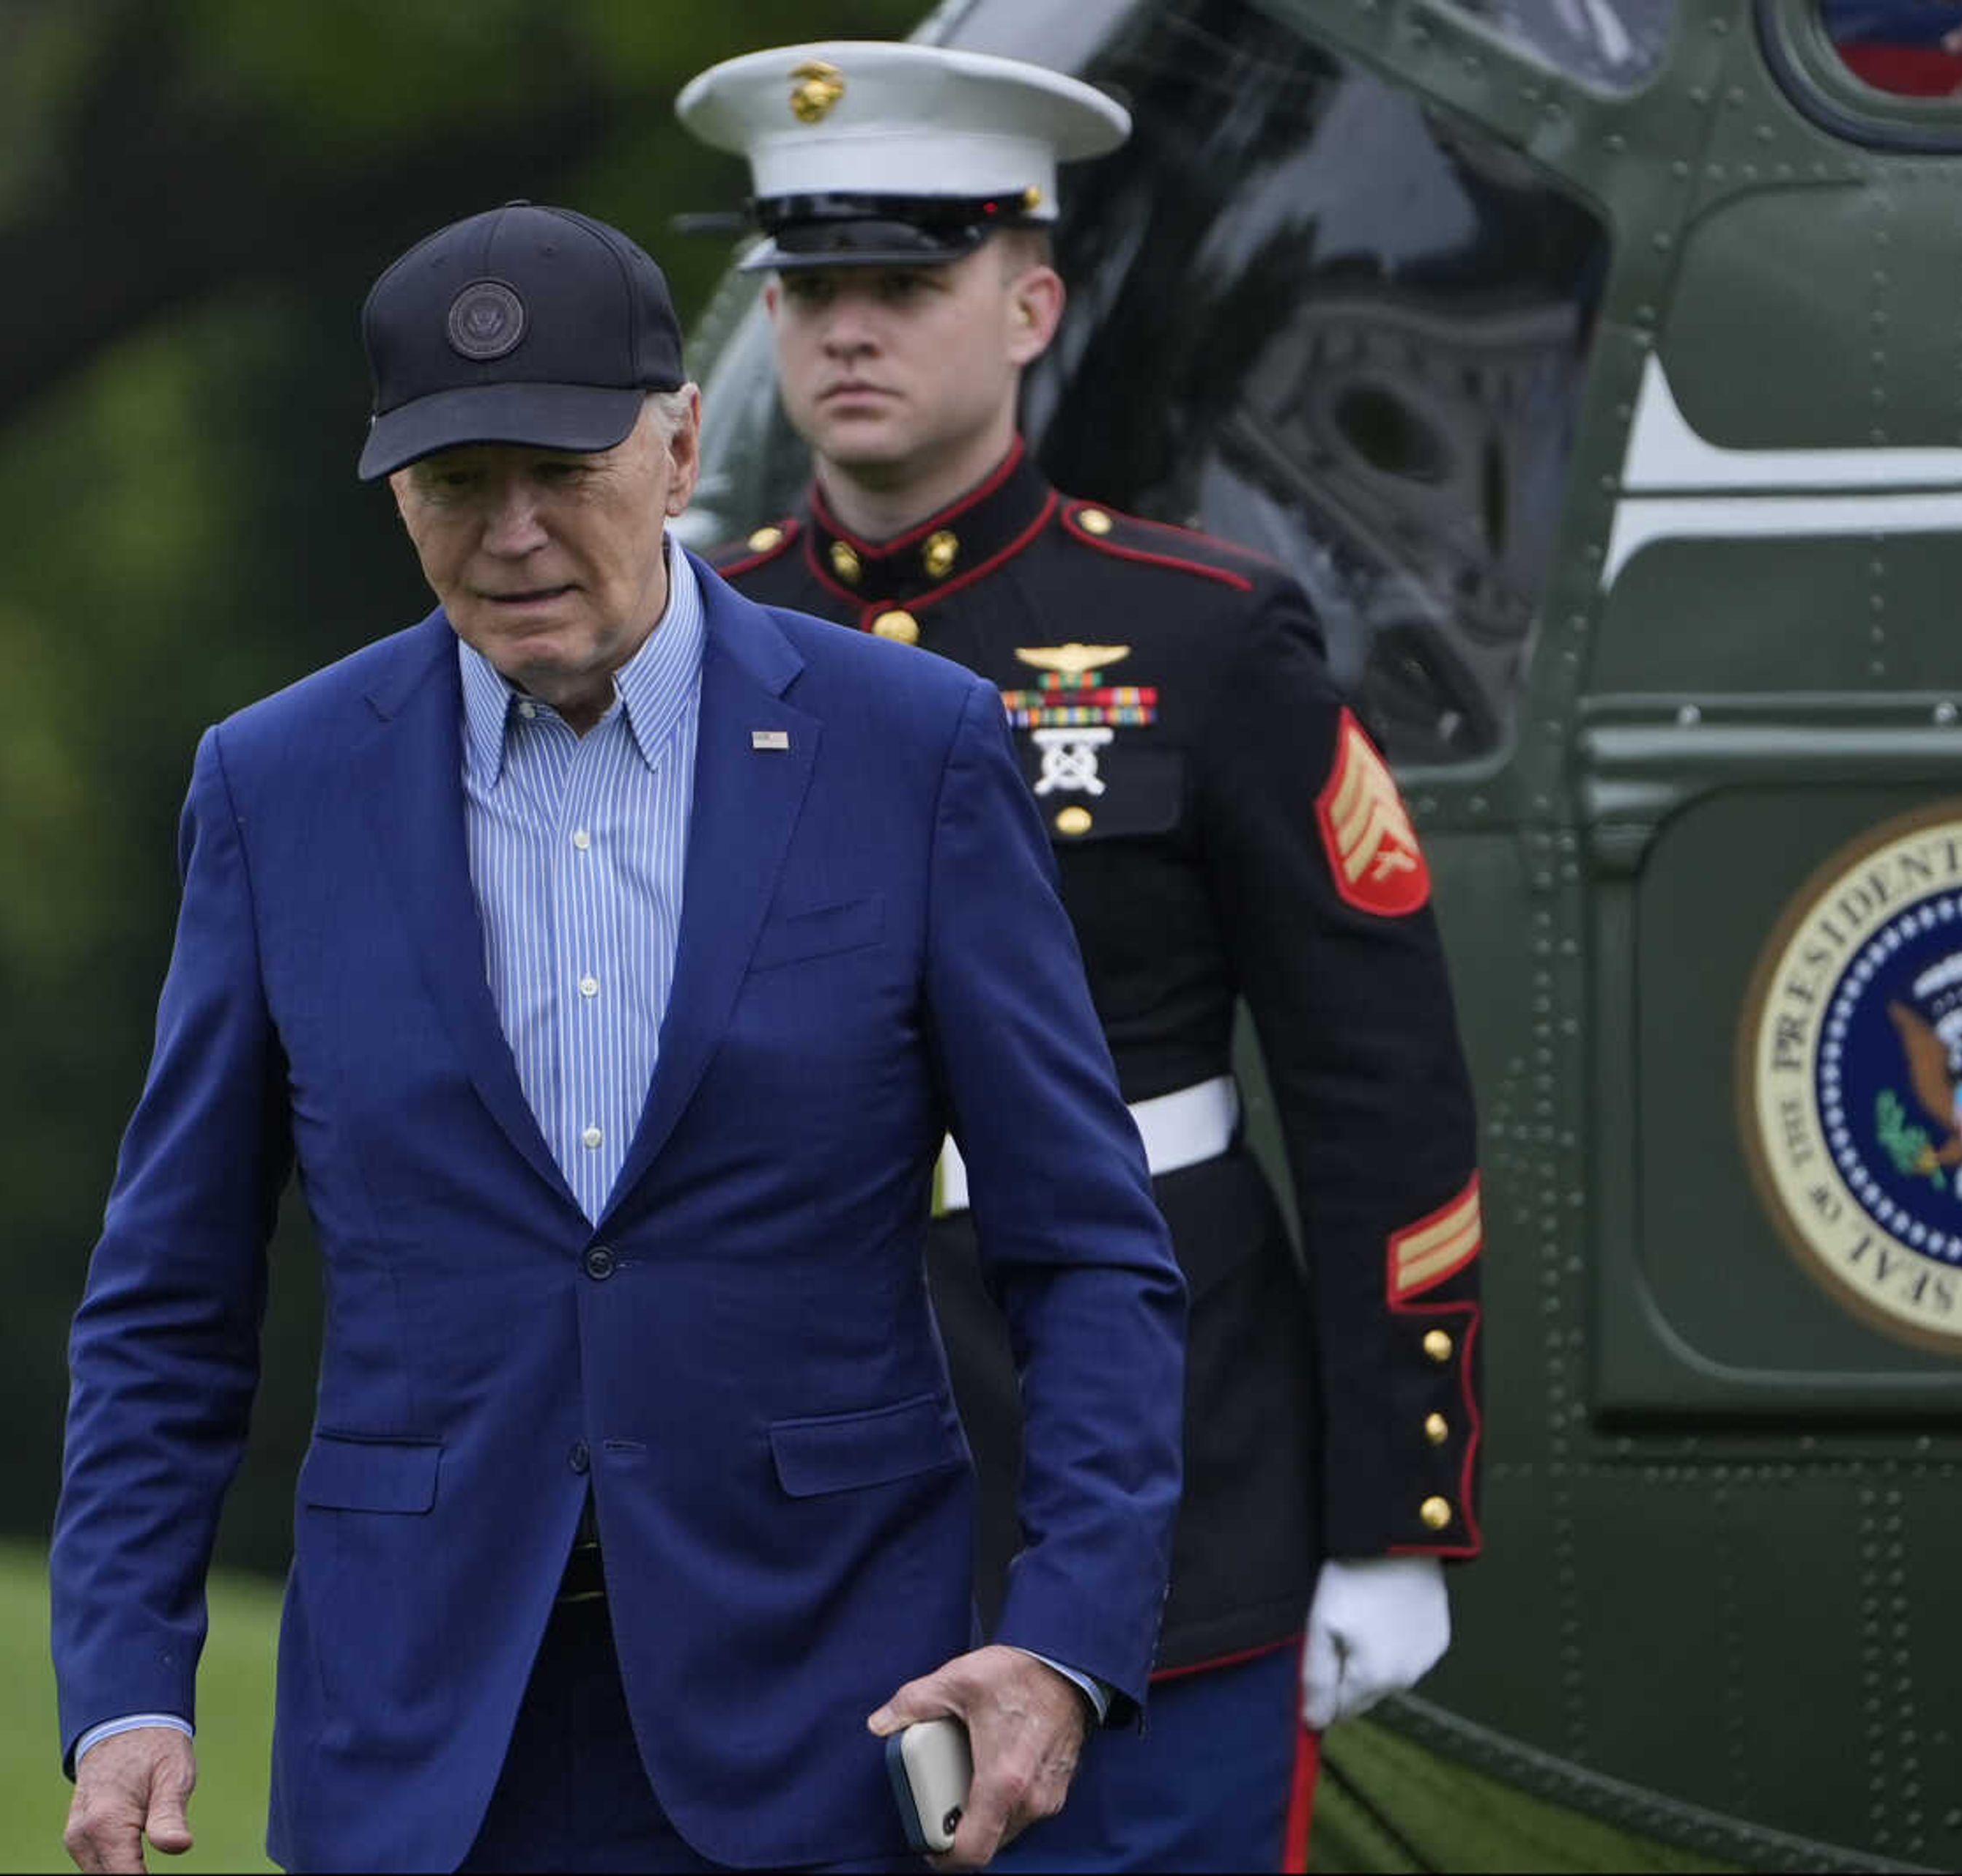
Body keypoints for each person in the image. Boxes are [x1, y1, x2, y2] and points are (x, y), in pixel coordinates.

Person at [48, 201, 1186, 1875]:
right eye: (454, 484)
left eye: (560, 473)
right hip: (418, 1739)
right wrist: (125, 1689)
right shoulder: (275, 788)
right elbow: (167, 1301)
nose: (509, 534)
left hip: (823, 1717)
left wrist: (1065, 1640)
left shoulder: (912, 750)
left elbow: (1088, 1252)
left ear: (680, 445)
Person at [678, 44, 1487, 1872]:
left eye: (906, 280)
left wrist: (1397, 1510)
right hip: (784, 1473)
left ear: (1032, 299)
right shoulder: (687, 646)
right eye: (812, 286)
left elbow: (1379, 1092)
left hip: (1162, 1471)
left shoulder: (1201, 640)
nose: (849, 330)